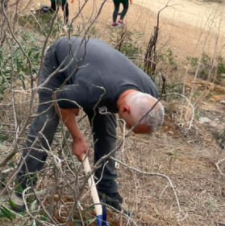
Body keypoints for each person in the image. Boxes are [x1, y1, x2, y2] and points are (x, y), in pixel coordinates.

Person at [10, 37, 164, 215]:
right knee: (46, 125)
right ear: (125, 109)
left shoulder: (150, 93)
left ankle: (108, 196)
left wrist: (76, 98)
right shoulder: (91, 91)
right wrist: (77, 137)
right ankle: (22, 188)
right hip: (60, 62)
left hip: (96, 72)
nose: (129, 130)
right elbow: (57, 99)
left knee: (106, 134)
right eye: (130, 127)